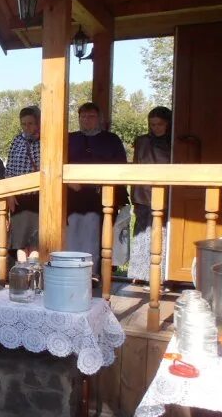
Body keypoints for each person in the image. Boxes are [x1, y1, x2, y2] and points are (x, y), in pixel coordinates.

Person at [67, 102, 128, 274]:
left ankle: (94, 274)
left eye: (91, 116)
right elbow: (59, 163)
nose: (86, 120)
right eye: (83, 117)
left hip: (101, 197)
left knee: (98, 237)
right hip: (74, 199)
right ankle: (72, 270)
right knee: (73, 237)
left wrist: (121, 197)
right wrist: (70, 182)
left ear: (99, 119)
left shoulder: (111, 140)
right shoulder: (70, 138)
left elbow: (121, 167)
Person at [128, 106, 173, 282]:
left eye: (160, 124)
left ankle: (160, 277)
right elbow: (136, 165)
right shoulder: (141, 141)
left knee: (161, 235)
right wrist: (134, 194)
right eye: (152, 124)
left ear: (168, 123)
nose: (156, 128)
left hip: (166, 194)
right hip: (142, 194)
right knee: (142, 234)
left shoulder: (174, 143)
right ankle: (140, 275)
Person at [6, 107, 41, 261]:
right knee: (20, 242)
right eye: (24, 124)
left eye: (30, 123)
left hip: (38, 198)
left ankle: (33, 275)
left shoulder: (45, 141)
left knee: (36, 242)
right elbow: (10, 169)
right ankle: (22, 273)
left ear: (38, 123)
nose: (27, 127)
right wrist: (10, 194)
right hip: (20, 199)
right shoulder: (17, 140)